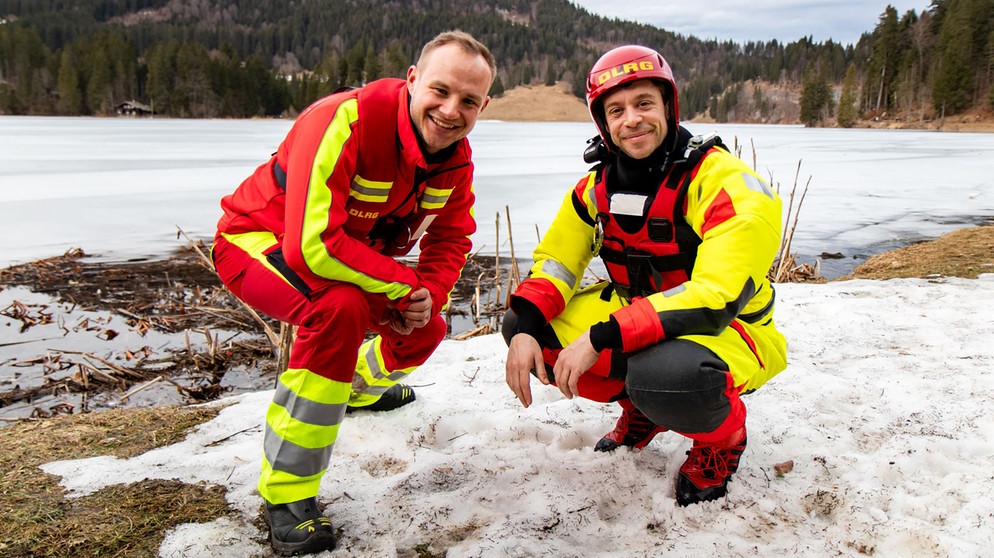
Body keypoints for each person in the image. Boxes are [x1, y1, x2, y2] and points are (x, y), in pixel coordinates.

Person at [211, 30, 495, 555]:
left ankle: (359, 388)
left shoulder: (455, 160)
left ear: (483, 105)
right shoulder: (344, 120)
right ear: (412, 81)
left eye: (469, 101)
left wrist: (426, 293)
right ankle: (288, 495)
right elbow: (310, 246)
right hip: (257, 243)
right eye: (440, 90)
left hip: (347, 259)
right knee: (335, 311)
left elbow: (451, 236)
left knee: (426, 326)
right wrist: (405, 283)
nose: (451, 110)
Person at [502, 45, 788, 507]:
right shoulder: (595, 189)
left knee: (667, 372)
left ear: (668, 106)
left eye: (644, 104)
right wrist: (529, 326)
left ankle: (722, 440)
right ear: (603, 123)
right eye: (616, 110)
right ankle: (641, 411)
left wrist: (602, 336)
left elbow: (714, 298)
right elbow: (556, 263)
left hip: (727, 331)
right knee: (524, 324)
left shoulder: (725, 183)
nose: (631, 120)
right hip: (636, 317)